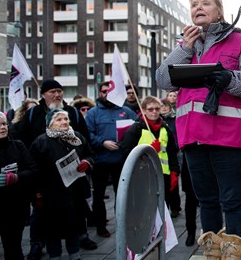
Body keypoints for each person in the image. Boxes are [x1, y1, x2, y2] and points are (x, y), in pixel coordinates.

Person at [155, 0, 241, 258]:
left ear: (219, 11)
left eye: (206, 3)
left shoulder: (240, 42)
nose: (198, 8)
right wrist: (184, 48)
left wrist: (229, 78)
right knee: (206, 201)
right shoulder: (184, 47)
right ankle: (213, 251)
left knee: (232, 199)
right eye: (194, 5)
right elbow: (162, 80)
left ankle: (234, 251)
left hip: (228, 136)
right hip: (192, 137)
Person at [12, 79, 96, 258]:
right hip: (47, 185)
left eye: (59, 91)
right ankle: (37, 244)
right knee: (46, 222)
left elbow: (87, 147)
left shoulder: (73, 113)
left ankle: (80, 239)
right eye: (52, 91)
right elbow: (21, 139)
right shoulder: (34, 114)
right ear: (43, 94)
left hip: (74, 183)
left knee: (76, 216)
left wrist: (87, 162)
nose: (57, 94)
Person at [29, 109, 94, 260]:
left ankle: (74, 254)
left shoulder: (77, 137)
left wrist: (87, 162)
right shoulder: (41, 141)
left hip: (75, 191)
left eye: (66, 119)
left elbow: (90, 154)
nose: (64, 122)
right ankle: (55, 255)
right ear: (50, 124)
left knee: (75, 224)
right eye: (59, 120)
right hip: (51, 193)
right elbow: (33, 168)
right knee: (53, 228)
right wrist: (37, 192)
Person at [84, 82, 136, 237]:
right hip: (100, 160)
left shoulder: (126, 111)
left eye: (110, 91)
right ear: (100, 93)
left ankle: (122, 225)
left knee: (122, 195)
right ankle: (101, 226)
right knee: (98, 196)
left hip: (121, 161)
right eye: (104, 91)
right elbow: (88, 134)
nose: (107, 94)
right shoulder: (93, 113)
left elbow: (137, 129)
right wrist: (102, 143)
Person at [0, 111, 37, 260]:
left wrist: (17, 177)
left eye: (4, 124)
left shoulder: (17, 144)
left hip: (15, 207)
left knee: (14, 249)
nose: (2, 127)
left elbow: (32, 169)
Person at [121, 96, 181, 216]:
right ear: (143, 110)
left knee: (163, 210)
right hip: (143, 176)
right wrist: (149, 150)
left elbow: (172, 153)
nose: (154, 112)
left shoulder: (165, 128)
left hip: (163, 175)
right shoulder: (135, 129)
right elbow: (126, 154)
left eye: (157, 109)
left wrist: (175, 172)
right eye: (150, 109)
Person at [160, 97, 182, 218]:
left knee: (174, 181)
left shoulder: (175, 119)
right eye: (161, 107)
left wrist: (177, 146)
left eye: (165, 106)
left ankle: (175, 207)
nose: (163, 109)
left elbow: (178, 134)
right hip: (161, 156)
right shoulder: (158, 120)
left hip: (175, 152)